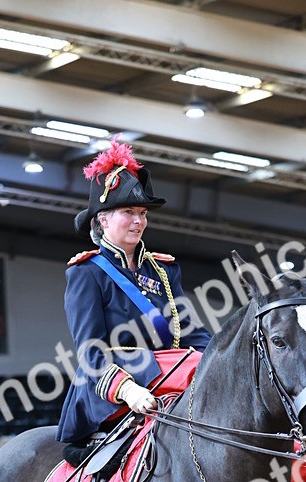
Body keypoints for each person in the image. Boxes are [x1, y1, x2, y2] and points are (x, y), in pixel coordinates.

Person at [56, 141, 211, 452]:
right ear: (102, 219)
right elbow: (91, 353)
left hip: (173, 374)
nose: (139, 221)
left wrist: (222, 358)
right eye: (128, 212)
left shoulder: (165, 270)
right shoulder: (86, 273)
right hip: (114, 385)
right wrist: (127, 389)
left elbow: (194, 334)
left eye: (142, 213)